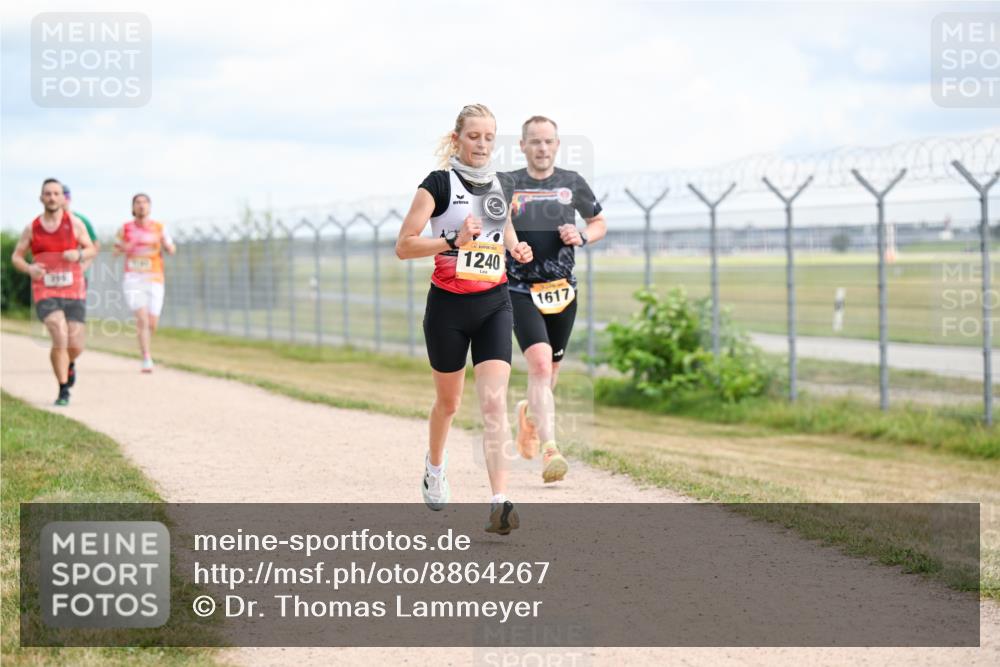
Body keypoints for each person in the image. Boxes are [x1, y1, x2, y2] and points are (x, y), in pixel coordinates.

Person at [396, 104, 533, 535]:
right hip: (448, 308)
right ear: (457, 139)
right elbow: (404, 245)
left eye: (490, 137)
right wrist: (453, 239)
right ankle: (434, 468)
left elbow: (503, 228)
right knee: (450, 403)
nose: (482, 144)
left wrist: (516, 248)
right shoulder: (436, 185)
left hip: (494, 302)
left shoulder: (501, 185)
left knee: (493, 402)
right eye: (474, 136)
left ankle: (499, 502)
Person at [506, 116, 607, 483]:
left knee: (550, 374)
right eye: (535, 142)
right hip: (519, 288)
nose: (542, 148)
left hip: (562, 290)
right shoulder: (509, 184)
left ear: (558, 145)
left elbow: (599, 223)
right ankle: (551, 449)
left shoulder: (571, 183)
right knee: (541, 367)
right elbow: (494, 224)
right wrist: (512, 244)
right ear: (522, 146)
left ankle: (529, 416)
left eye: (548, 141)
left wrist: (580, 234)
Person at [10, 178, 97, 405]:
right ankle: (63, 390)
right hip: (45, 290)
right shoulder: (32, 228)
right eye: (47, 193)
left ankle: (69, 364)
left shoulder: (75, 224)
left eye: (56, 193)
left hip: (74, 290)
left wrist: (78, 255)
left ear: (62, 198)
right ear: (41, 198)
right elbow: (16, 256)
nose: (51, 197)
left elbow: (91, 249)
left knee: (75, 345)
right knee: (59, 334)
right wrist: (30, 268)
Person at [113, 193, 176, 372]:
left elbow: (172, 248)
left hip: (155, 278)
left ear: (149, 207)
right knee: (141, 319)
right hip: (133, 278)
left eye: (144, 203)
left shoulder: (159, 227)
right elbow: (115, 251)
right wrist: (124, 247)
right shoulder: (125, 228)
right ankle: (146, 357)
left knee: (152, 323)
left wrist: (168, 247)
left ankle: (145, 344)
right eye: (138, 203)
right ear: (133, 208)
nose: (141, 206)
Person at [62, 185, 100, 285]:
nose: (62, 200)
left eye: (65, 197)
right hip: (52, 275)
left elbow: (95, 247)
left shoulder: (81, 220)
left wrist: (83, 267)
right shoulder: (44, 222)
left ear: (69, 199)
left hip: (76, 275)